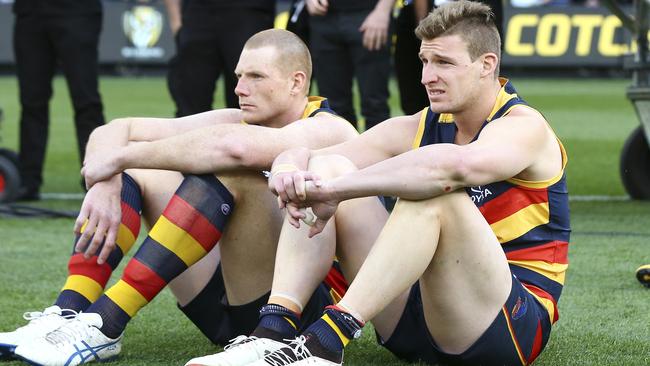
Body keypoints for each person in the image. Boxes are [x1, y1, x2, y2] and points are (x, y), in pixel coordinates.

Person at [209, 2, 571, 365]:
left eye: (443, 63)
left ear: (487, 65)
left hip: (508, 324)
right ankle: (274, 331)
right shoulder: (423, 122)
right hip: (420, 315)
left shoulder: (524, 126)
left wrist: (336, 190)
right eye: (425, 62)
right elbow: (321, 155)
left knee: (434, 195)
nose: (427, 77)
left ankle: (326, 342)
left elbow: (450, 169)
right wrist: (290, 167)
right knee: (330, 165)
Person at [0, 29, 358, 366]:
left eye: (255, 77)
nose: (239, 88)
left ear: (297, 82)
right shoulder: (241, 119)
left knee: (233, 170)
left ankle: (106, 321)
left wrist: (119, 157)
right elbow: (116, 129)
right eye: (238, 76)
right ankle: (69, 311)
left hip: (295, 316)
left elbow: (232, 149)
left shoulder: (331, 127)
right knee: (140, 171)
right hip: (230, 302)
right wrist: (108, 178)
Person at [12, 0, 106, 200]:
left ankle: (98, 179)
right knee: (31, 102)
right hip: (31, 12)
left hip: (78, 11)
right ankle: (27, 181)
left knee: (86, 101)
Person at [164, 0, 275, 115]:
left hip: (250, 10)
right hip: (197, 12)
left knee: (252, 98)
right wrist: (175, 21)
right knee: (190, 96)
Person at [306, 0, 394, 130]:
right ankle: (341, 150)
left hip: (369, 13)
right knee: (332, 106)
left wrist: (383, 10)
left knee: (375, 104)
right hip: (323, 16)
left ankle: (378, 150)